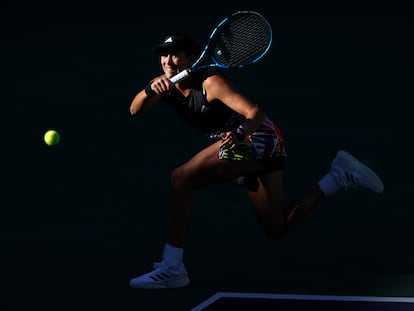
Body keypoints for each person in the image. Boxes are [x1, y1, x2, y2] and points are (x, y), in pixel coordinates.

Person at [128, 32, 384, 289]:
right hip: (259, 145)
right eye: (164, 54)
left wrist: (240, 134)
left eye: (176, 54)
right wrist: (150, 88)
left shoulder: (212, 83)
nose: (168, 60)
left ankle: (173, 267)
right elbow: (135, 109)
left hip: (256, 138)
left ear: (191, 57)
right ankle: (337, 177)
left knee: (181, 178)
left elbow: (255, 113)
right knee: (276, 227)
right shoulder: (164, 84)